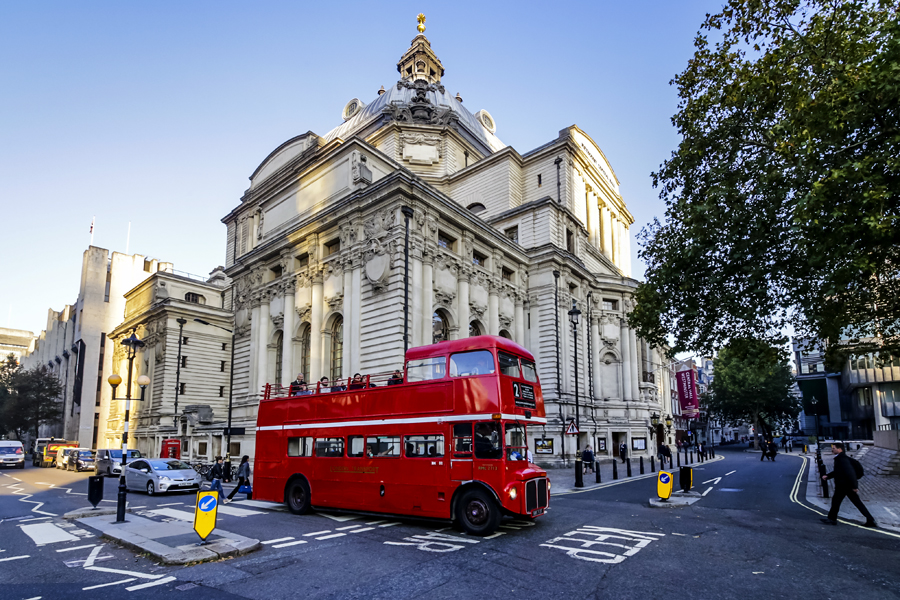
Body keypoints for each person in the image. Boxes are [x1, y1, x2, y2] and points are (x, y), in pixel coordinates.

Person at [821, 442, 876, 527]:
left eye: (834, 448)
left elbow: (850, 473)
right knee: (837, 501)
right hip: (843, 486)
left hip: (845, 486)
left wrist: (854, 486)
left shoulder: (842, 459)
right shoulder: (841, 458)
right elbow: (838, 472)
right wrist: (828, 476)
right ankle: (832, 518)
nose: (832, 450)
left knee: (853, 502)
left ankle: (870, 520)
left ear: (840, 449)